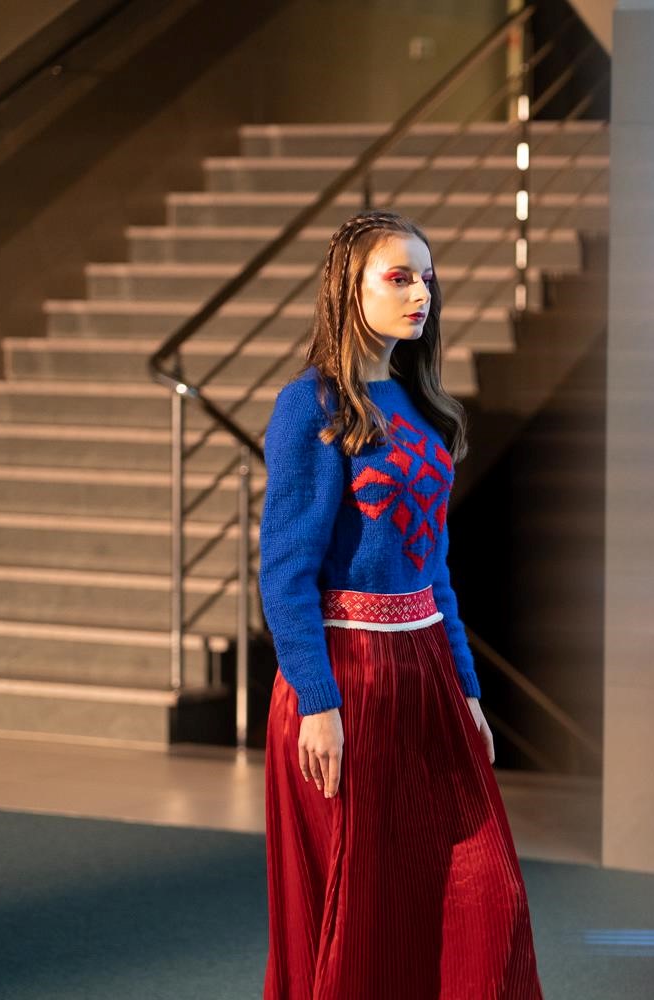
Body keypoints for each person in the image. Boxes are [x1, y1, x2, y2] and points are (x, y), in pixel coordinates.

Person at [259, 210, 544, 998]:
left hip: (426, 679)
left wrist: (467, 689)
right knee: (364, 922)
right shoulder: (311, 406)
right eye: (399, 277)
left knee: (489, 897)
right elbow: (284, 572)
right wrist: (317, 700)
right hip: (345, 682)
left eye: (427, 277)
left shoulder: (424, 408)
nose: (422, 293)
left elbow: (435, 570)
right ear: (348, 290)